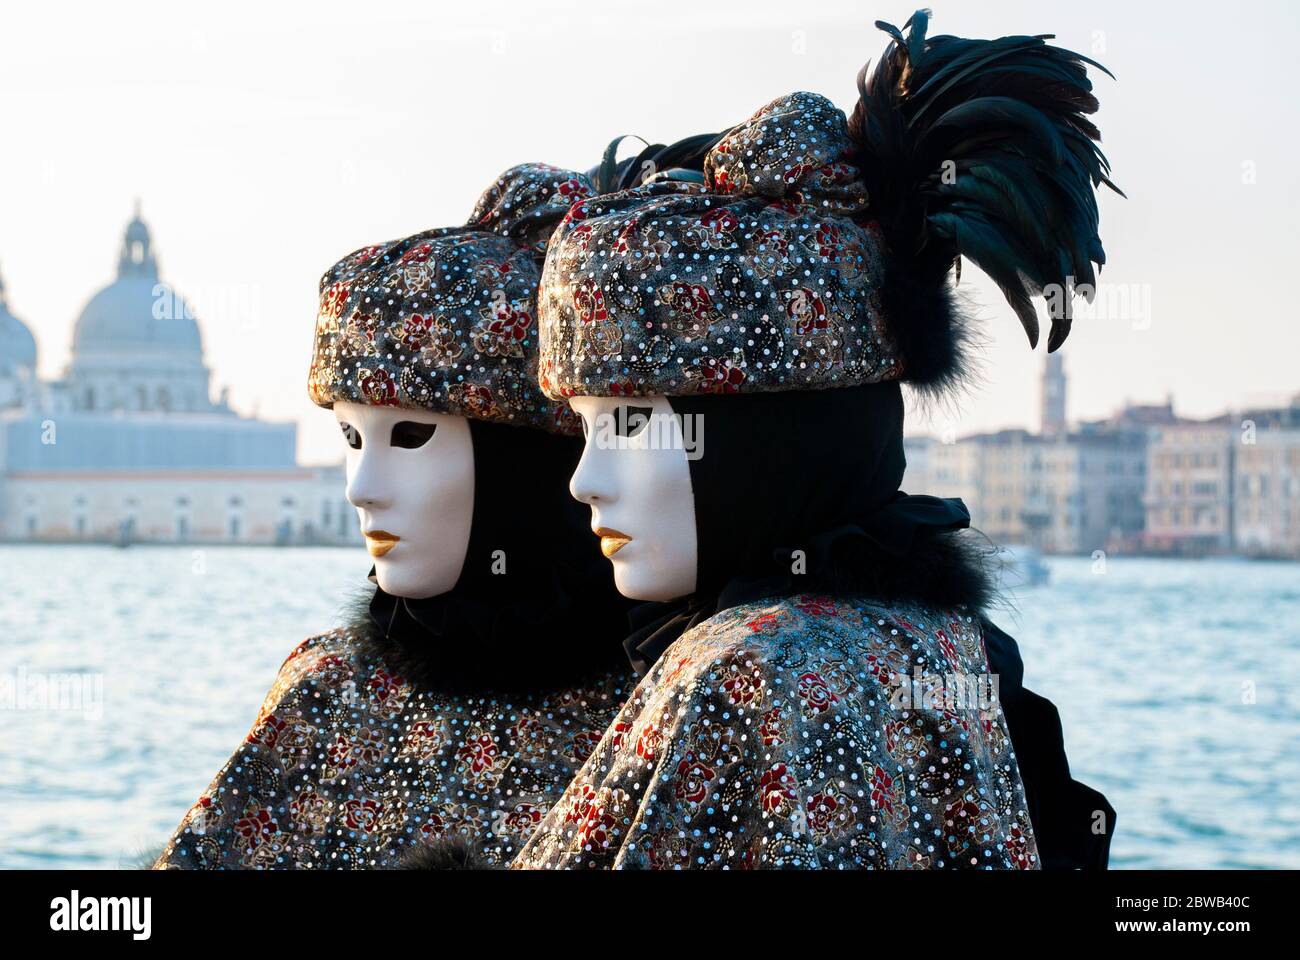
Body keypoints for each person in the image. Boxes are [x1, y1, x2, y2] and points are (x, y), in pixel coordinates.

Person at [511, 10, 1117, 869]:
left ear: (775, 436)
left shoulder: (741, 671)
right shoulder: (939, 645)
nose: (583, 481)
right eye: (586, 425)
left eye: (633, 423)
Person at [153, 163, 638, 869]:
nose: (363, 489)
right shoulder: (326, 693)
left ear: (530, 457)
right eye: (350, 439)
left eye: (410, 437)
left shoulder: (665, 706)